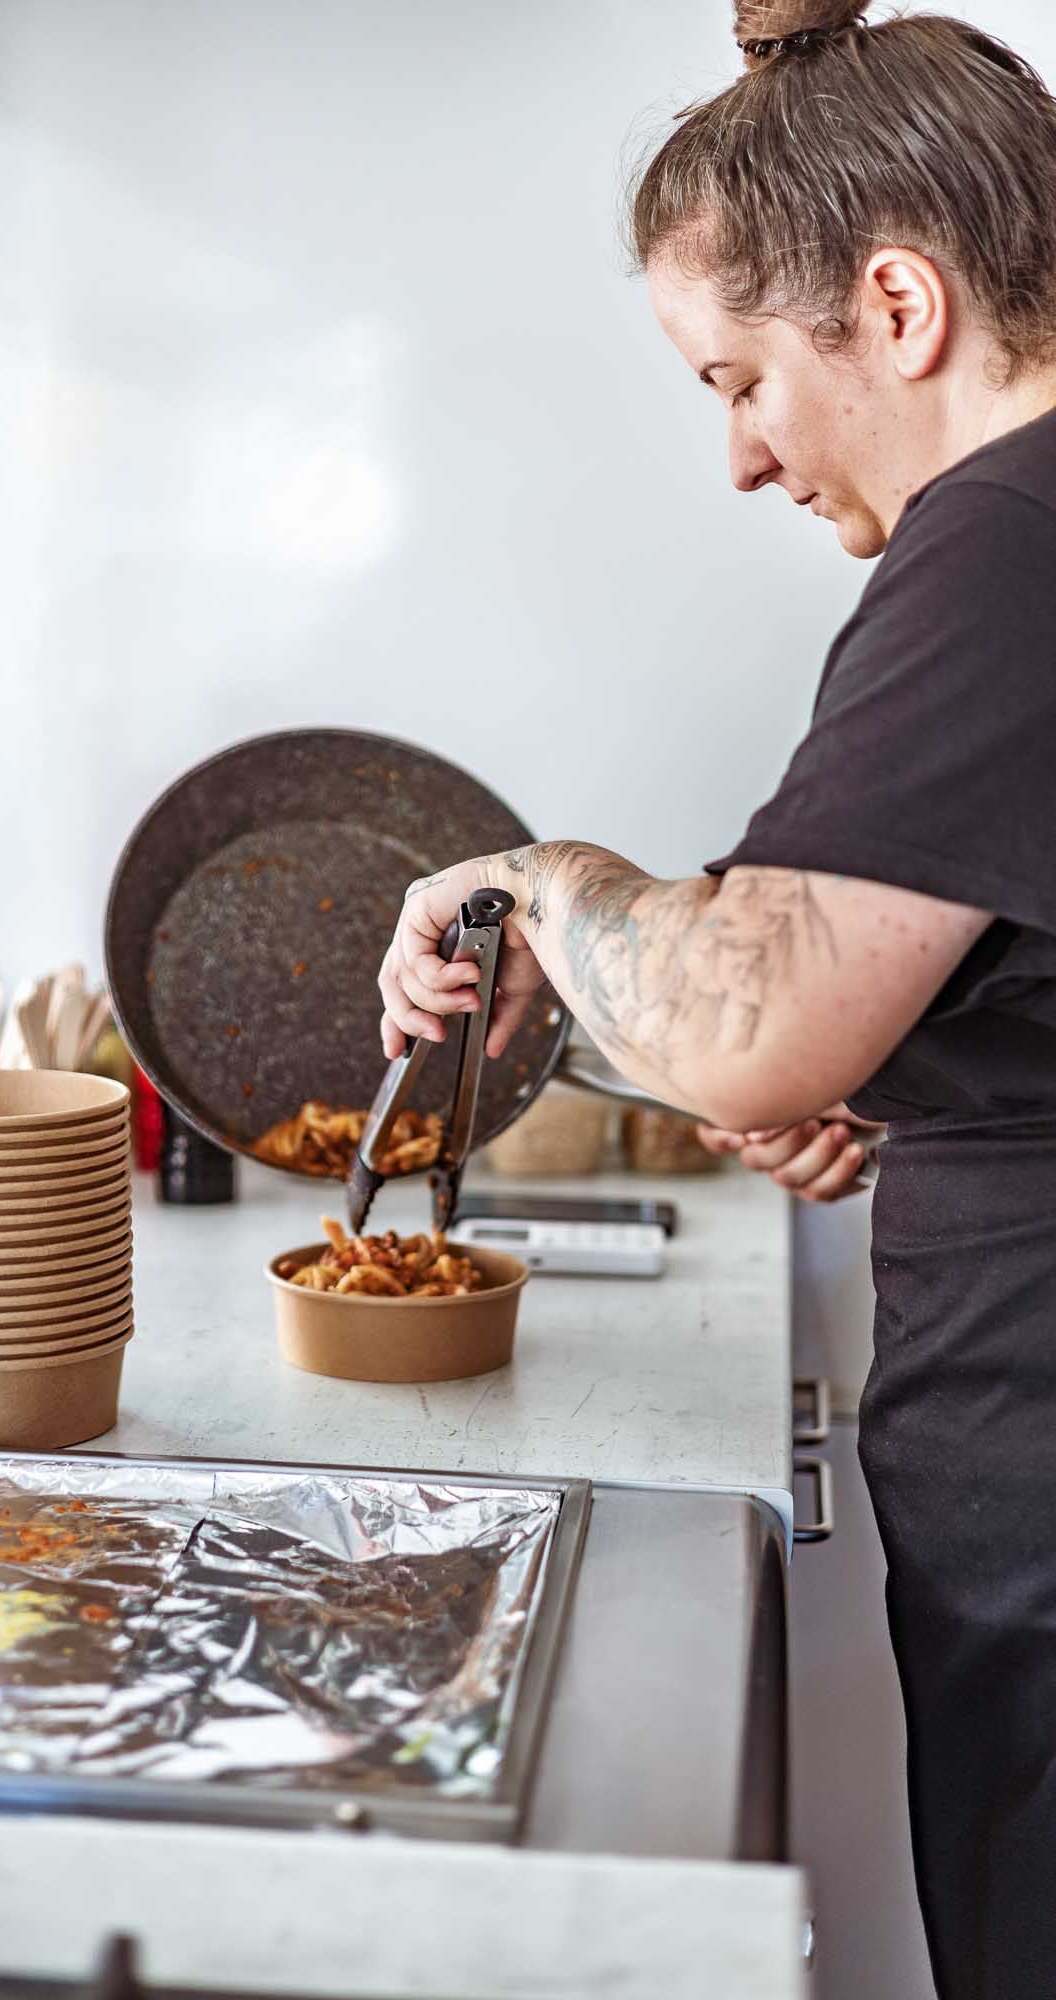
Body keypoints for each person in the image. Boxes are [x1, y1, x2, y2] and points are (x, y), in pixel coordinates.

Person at [377, 7, 1056, 1996]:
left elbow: (753, 1011)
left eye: (740, 376)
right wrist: (899, 1060)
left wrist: (531, 878)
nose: (742, 450)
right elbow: (863, 985)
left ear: (899, 302)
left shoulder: (1006, 546)